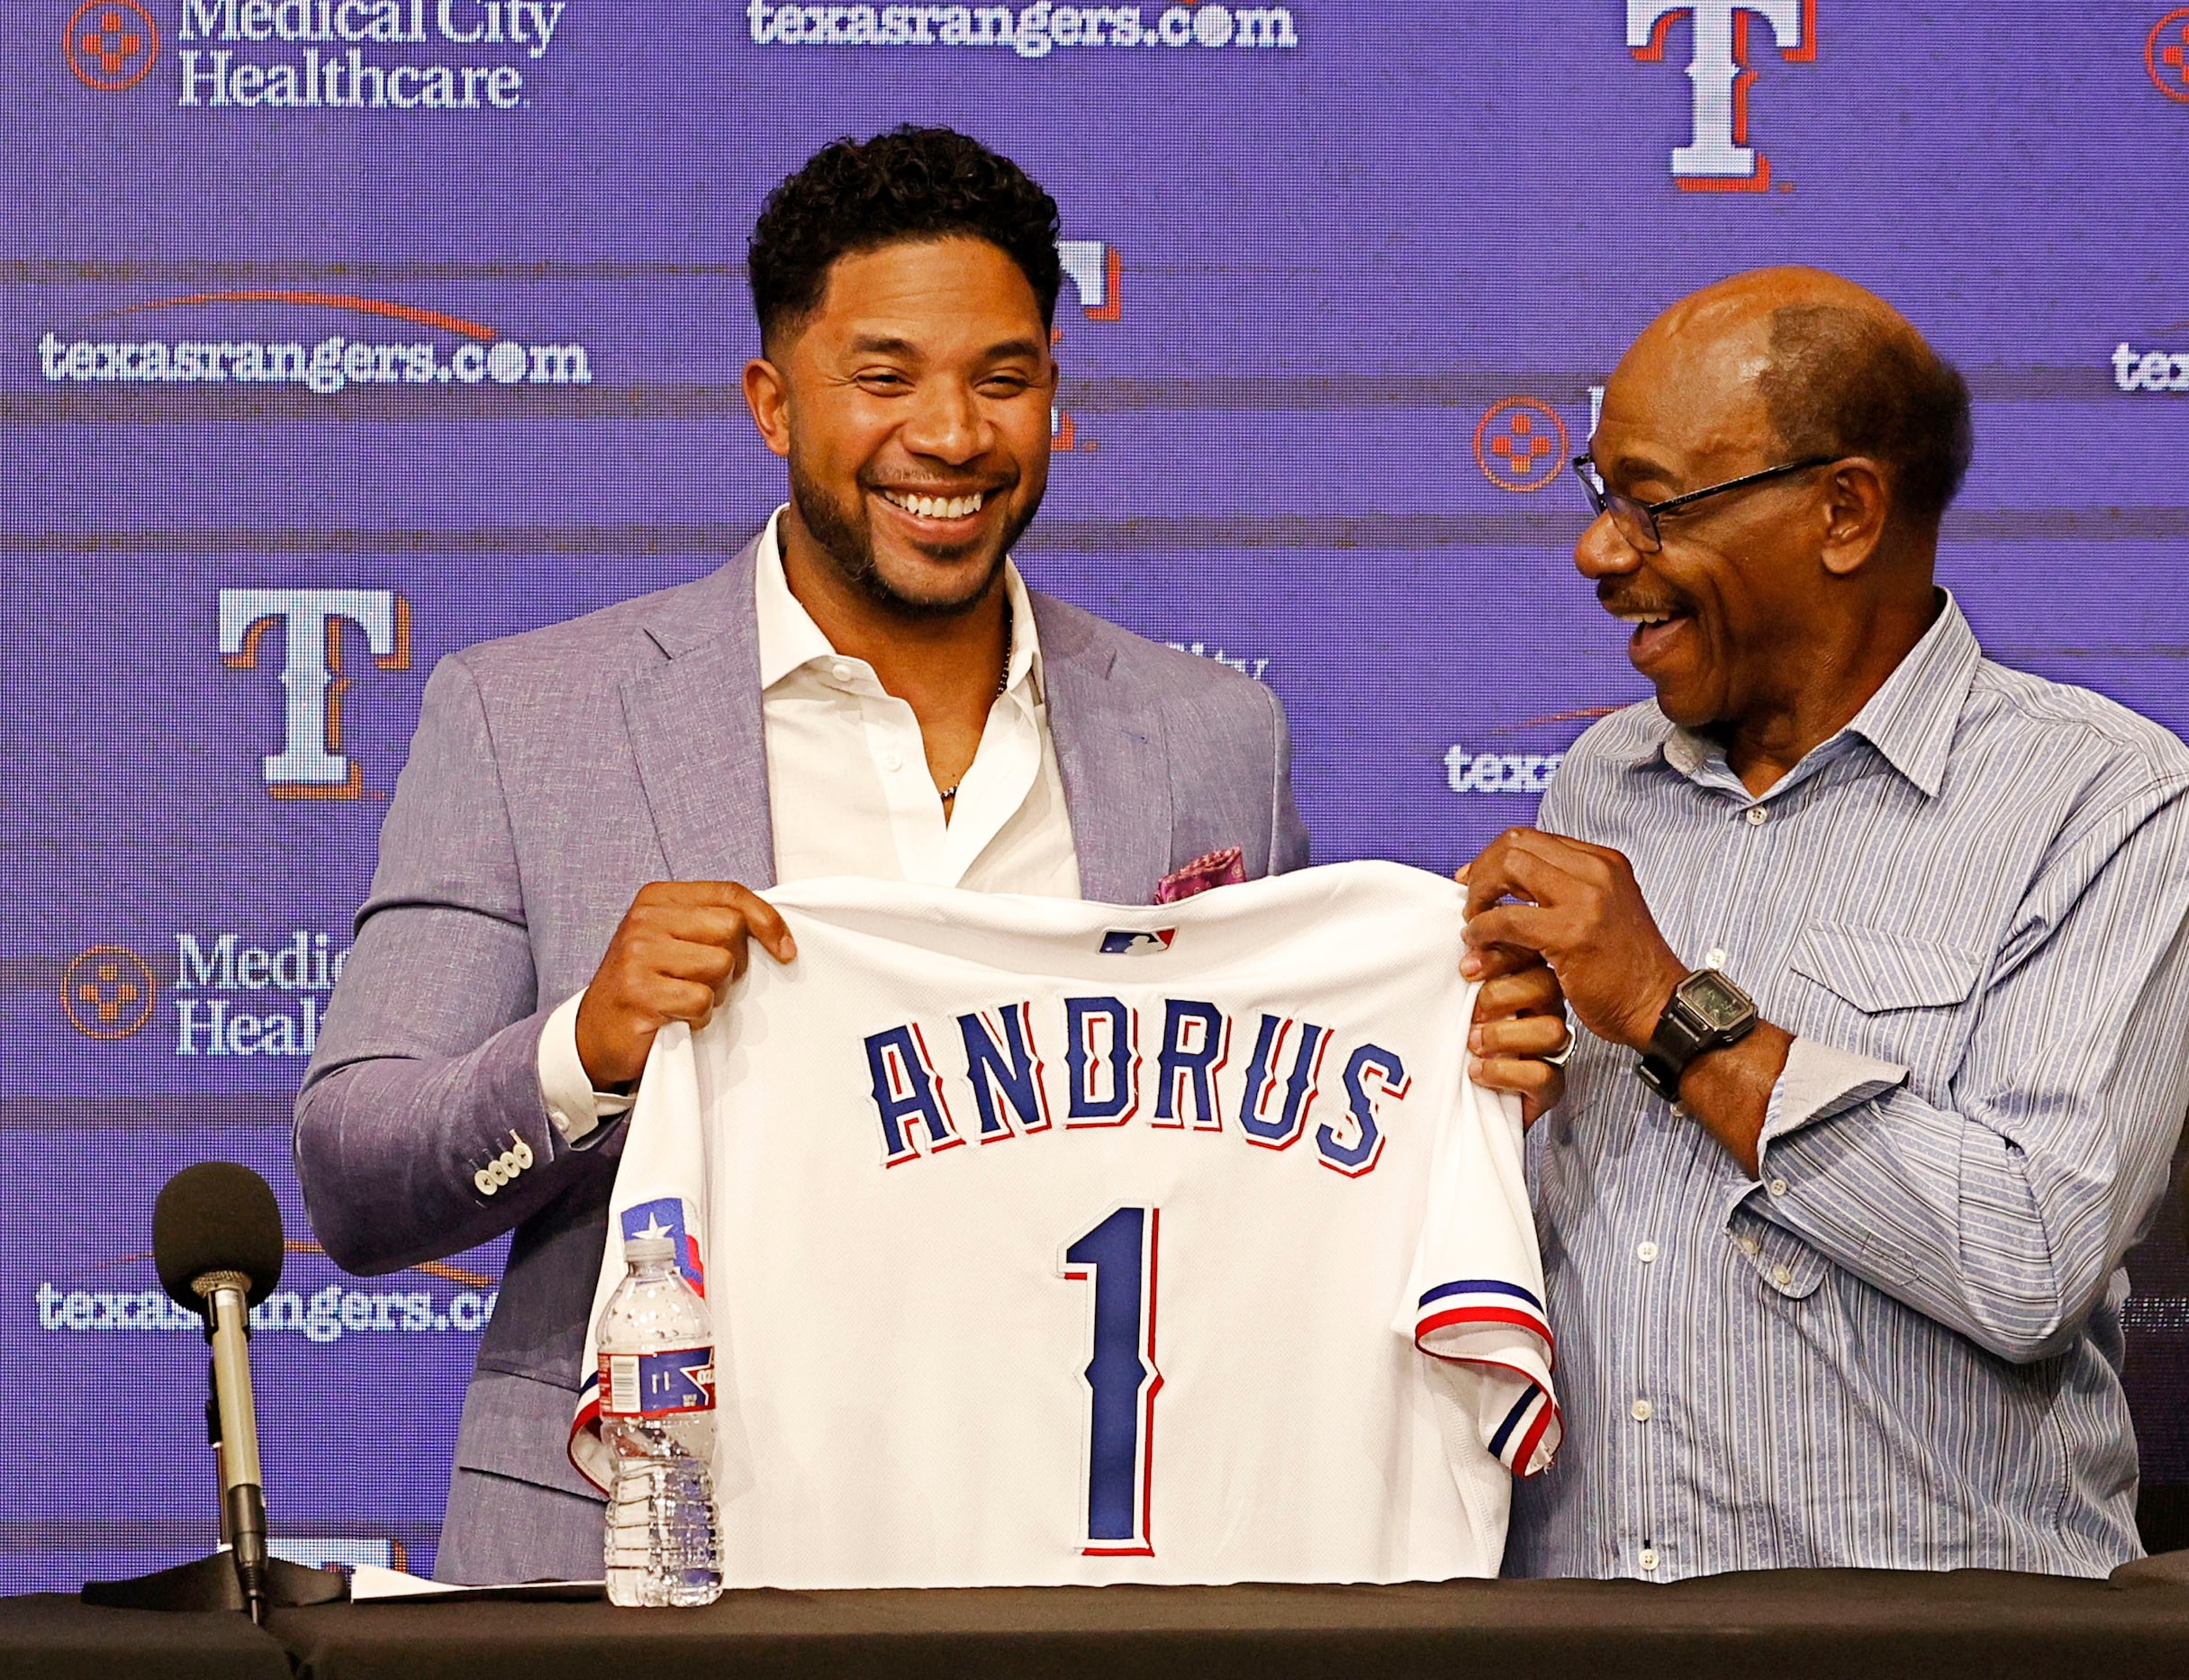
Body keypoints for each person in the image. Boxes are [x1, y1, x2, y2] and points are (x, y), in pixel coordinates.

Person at [295, 126, 1560, 1585]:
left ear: (1053, 397)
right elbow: (355, 1174)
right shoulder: (531, 716)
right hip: (657, 1568)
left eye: (1002, 378)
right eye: (883, 376)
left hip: (1082, 1570)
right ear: (774, 400)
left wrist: (1450, 1067)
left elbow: (1269, 1176)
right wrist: (589, 1043)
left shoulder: (1213, 735)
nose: (951, 435)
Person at [1459, 267, 2189, 1579]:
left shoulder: (2105, 800)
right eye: (1600, 499)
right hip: (1583, 1628)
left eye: (1652, 504)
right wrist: (1495, 1110)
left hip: (1938, 1648)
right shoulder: (1600, 780)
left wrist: (1668, 1011)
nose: (1598, 552)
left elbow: (2028, 1262)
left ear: (1843, 511)